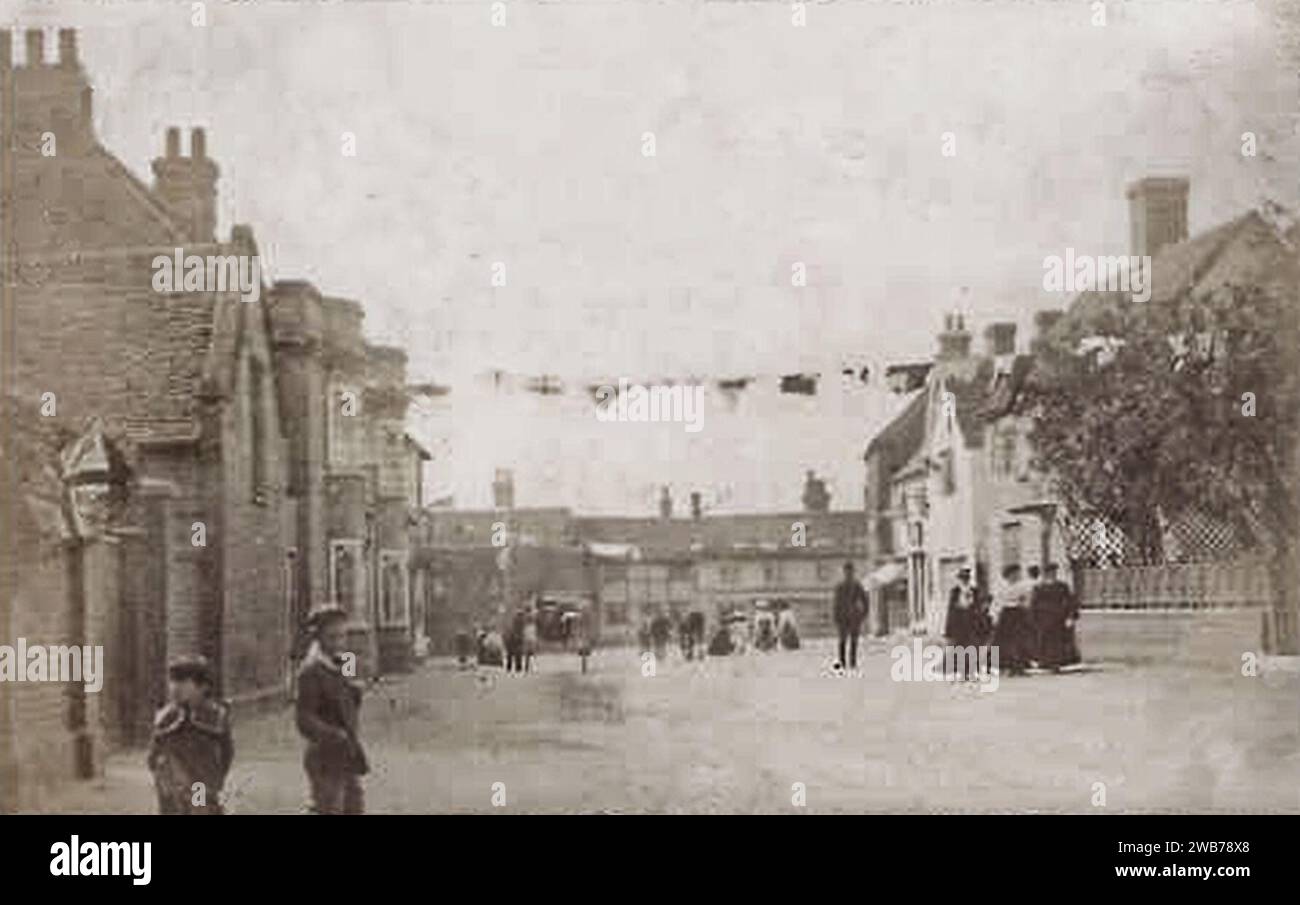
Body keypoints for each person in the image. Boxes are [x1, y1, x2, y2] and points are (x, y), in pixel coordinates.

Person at [296, 605, 368, 814]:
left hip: (347, 753)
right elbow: (304, 719)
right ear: (318, 637)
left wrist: (354, 689)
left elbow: (349, 707)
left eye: (343, 636)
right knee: (329, 808)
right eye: (332, 637)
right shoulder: (311, 671)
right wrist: (335, 735)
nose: (339, 643)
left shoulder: (341, 662)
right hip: (325, 757)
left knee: (354, 807)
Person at [147, 654, 233, 815]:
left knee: (201, 810)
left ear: (202, 687)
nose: (175, 687)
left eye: (184, 682)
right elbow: (153, 755)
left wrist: (214, 778)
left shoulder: (215, 716)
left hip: (202, 784)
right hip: (172, 789)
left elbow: (226, 753)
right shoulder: (165, 718)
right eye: (173, 681)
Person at [1034, 563, 1079, 670]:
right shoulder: (1039, 587)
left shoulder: (1062, 586)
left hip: (1059, 617)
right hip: (1044, 617)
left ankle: (1058, 662)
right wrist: (1035, 618)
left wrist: (1071, 616)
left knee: (1058, 640)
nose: (1052, 574)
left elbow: (1070, 601)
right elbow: (1035, 603)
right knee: (1045, 640)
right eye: (1049, 573)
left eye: (1054, 572)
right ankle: (1045, 662)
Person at [993, 565, 1033, 676]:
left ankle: (1020, 665)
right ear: (1008, 575)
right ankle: (1007, 666)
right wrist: (995, 617)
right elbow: (997, 602)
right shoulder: (1001, 586)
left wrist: (1025, 608)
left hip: (1019, 613)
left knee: (1020, 640)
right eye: (1014, 574)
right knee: (1006, 641)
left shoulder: (1022, 586)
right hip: (1006, 614)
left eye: (1017, 574)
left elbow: (1027, 600)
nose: (1016, 576)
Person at [832, 562, 869, 670]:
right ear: (844, 572)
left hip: (854, 617)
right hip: (843, 617)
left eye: (850, 571)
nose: (848, 574)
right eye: (847, 571)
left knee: (853, 641)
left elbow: (865, 600)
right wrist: (836, 616)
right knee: (842, 641)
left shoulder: (857, 586)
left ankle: (852, 662)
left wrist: (863, 614)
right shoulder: (840, 587)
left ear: (853, 572)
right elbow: (836, 603)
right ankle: (842, 661)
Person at [944, 568, 979, 679]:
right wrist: (948, 628)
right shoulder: (955, 591)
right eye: (963, 578)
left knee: (972, 646)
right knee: (959, 647)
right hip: (959, 622)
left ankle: (972, 671)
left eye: (967, 578)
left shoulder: (974, 591)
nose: (965, 580)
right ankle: (961, 672)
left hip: (971, 621)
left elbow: (978, 607)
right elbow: (951, 610)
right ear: (959, 579)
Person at [522, 606, 539, 672]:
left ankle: (526, 667)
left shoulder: (525, 621)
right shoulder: (533, 624)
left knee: (527, 654)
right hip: (532, 638)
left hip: (527, 637)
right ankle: (533, 667)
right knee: (533, 655)